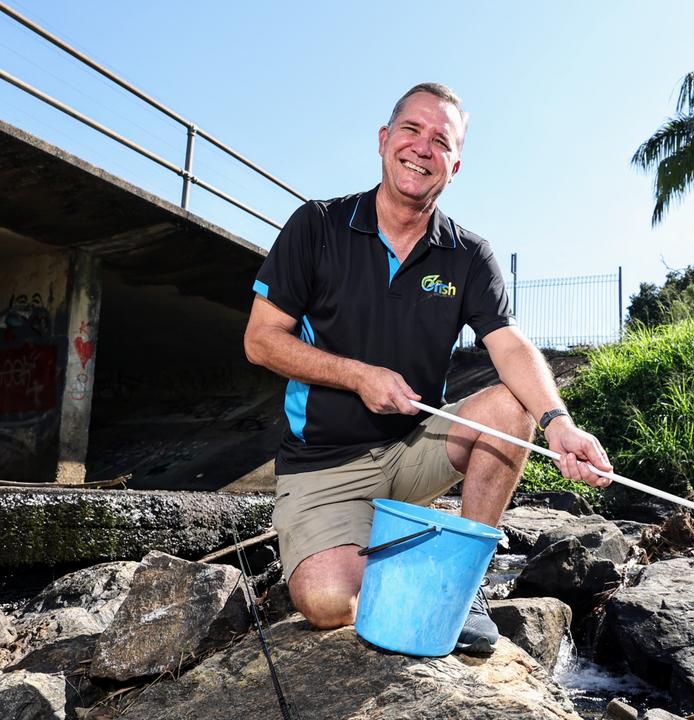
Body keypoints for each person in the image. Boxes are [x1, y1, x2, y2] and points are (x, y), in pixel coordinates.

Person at [243, 82, 612, 655]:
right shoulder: (316, 226)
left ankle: (461, 584)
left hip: (417, 447)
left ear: (455, 165)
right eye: (411, 131)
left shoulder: (468, 255)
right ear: (384, 140)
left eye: (440, 140)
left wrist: (559, 425)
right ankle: (397, 544)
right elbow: (261, 341)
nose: (422, 147)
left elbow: (510, 346)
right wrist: (359, 375)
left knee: (510, 408)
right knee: (326, 605)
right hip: (321, 464)